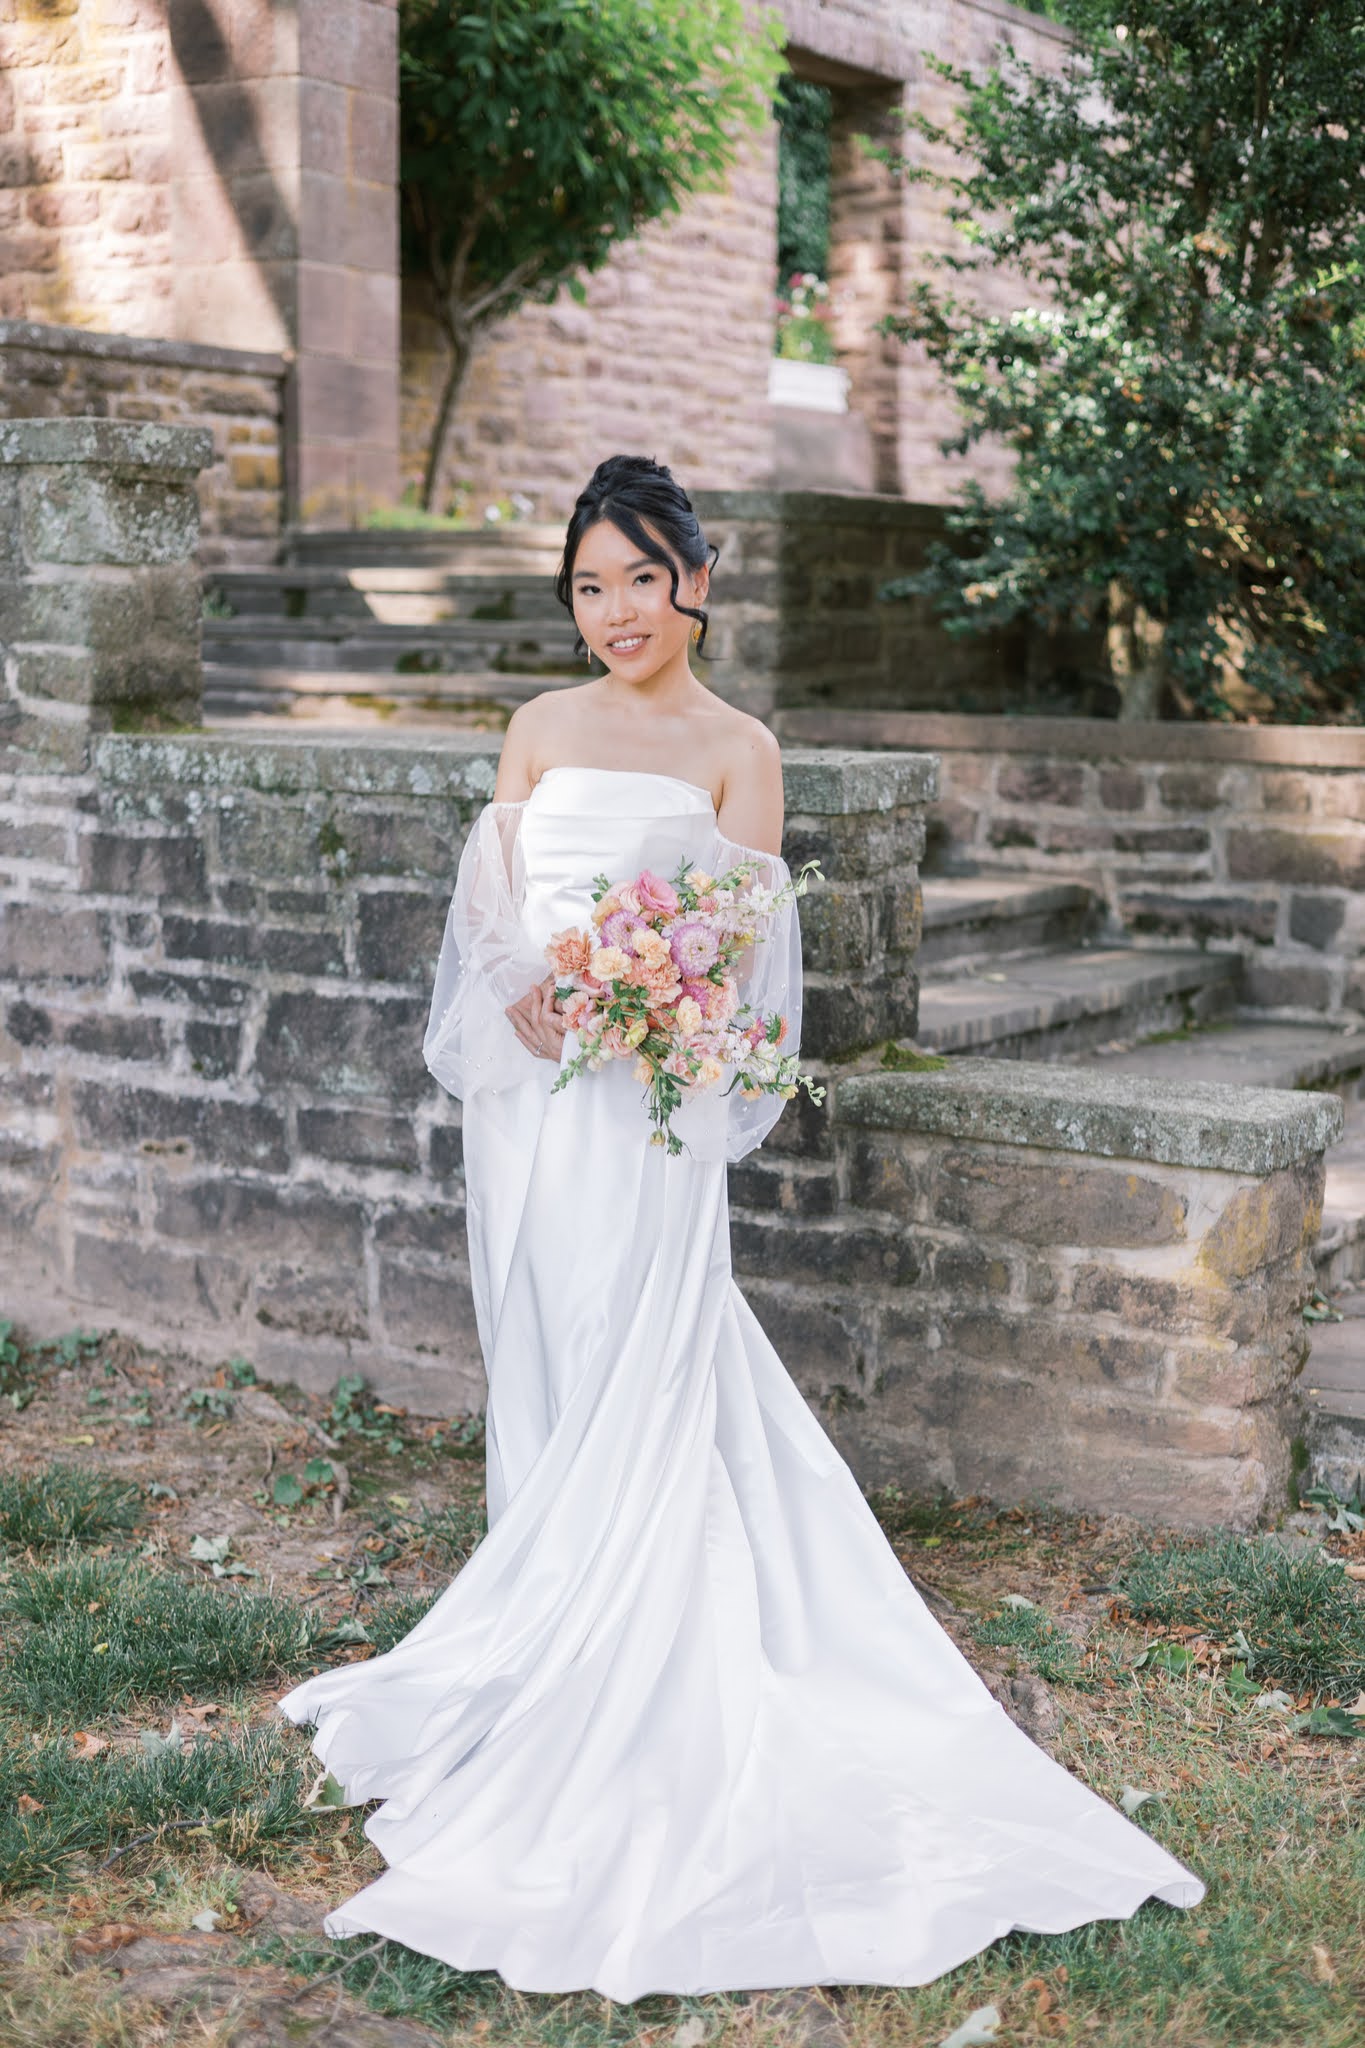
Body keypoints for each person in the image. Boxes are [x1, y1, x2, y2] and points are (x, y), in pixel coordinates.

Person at [276, 454, 1204, 2001]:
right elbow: (489, 902)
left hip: (637, 1116)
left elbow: (743, 965)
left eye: (638, 577)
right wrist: (532, 989)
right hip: (531, 1104)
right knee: (543, 1334)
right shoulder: (536, 728)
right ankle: (535, 1612)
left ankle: (623, 1642)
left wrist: (649, 1001)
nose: (612, 611)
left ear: (694, 581)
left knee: (634, 1336)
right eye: (586, 585)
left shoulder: (737, 749)